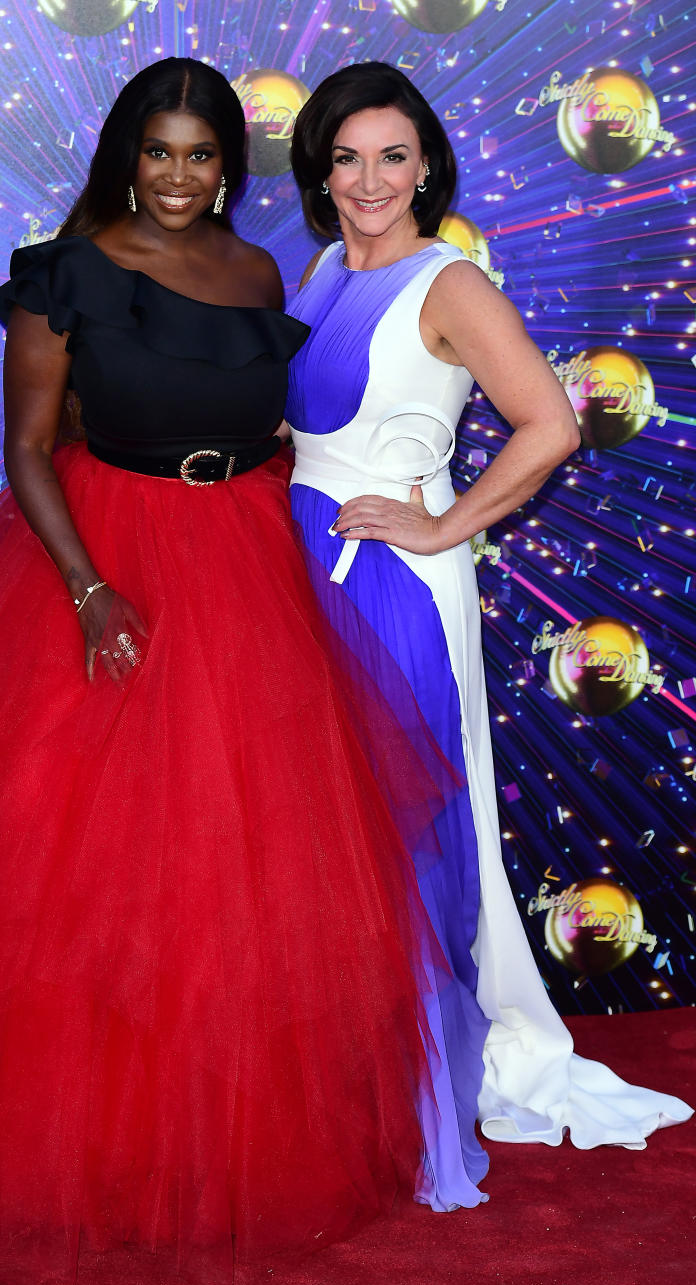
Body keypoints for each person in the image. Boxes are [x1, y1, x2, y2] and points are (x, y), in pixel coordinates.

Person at [0, 58, 457, 1278]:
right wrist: (86, 588)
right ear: (126, 158)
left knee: (242, 865)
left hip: (246, 555)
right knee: (79, 867)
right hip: (103, 559)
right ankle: (60, 1139)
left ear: (229, 165)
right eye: (157, 153)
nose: (178, 176)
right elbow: (27, 450)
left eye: (200, 155)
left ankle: (213, 1133)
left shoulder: (258, 273)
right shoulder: (62, 275)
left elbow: (275, 417)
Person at [285, 61, 692, 1214]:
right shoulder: (320, 270)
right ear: (323, 165)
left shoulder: (450, 280)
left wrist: (439, 523)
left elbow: (550, 422)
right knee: (325, 816)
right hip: (301, 569)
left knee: (408, 815)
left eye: (394, 157)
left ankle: (420, 1085)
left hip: (394, 584)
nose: (370, 179)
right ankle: (340, 1069)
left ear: (428, 167)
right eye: (350, 156)